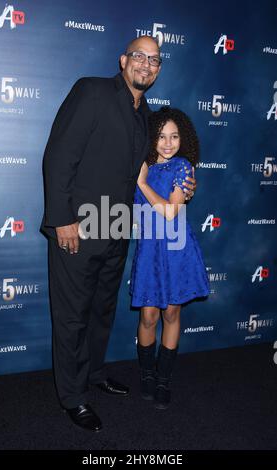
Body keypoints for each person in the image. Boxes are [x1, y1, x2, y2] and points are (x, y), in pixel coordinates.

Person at [41, 37, 197, 432]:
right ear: (124, 60)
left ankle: (93, 374)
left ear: (159, 69)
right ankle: (73, 398)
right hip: (79, 223)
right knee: (73, 315)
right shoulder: (91, 91)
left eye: (155, 60)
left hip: (116, 226)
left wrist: (185, 184)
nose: (146, 65)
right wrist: (62, 219)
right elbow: (59, 157)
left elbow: (156, 166)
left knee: (101, 311)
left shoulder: (146, 115)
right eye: (139, 57)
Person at [130, 106, 209, 410]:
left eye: (174, 136)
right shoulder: (142, 165)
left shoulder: (183, 167)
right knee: (148, 315)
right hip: (150, 248)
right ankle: (147, 374)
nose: (167, 142)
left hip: (177, 249)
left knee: (171, 314)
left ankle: (164, 379)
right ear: (152, 137)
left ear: (183, 138)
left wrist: (142, 184)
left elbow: (171, 210)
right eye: (162, 136)